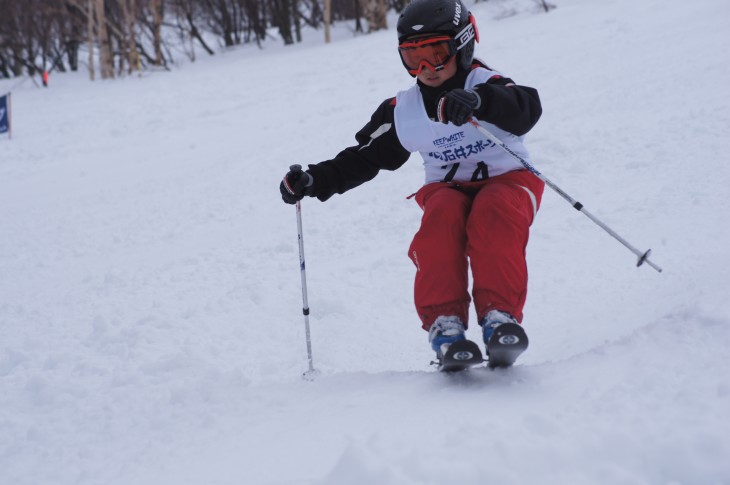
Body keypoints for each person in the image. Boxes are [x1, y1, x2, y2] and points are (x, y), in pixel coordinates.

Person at [279, 0, 544, 365]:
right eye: (412, 56)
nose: (426, 68)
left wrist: (480, 103)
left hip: (509, 182)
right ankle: (446, 326)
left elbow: (526, 107)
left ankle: (500, 319)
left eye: (437, 53)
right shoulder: (403, 111)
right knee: (441, 217)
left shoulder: (484, 84)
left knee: (492, 212)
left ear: (464, 45)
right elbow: (365, 156)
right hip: (447, 188)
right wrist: (314, 180)